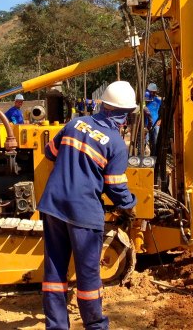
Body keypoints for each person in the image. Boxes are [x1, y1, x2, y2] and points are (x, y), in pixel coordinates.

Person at [38, 80, 138, 329]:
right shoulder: (115, 143)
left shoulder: (74, 124)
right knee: (88, 275)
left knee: (54, 271)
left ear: (102, 104)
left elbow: (50, 152)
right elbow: (115, 187)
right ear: (124, 115)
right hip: (83, 212)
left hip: (53, 205)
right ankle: (95, 325)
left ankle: (57, 326)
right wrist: (130, 204)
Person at [144, 83, 162, 155]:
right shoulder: (144, 100)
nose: (152, 93)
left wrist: (161, 120)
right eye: (150, 91)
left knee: (155, 141)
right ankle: (145, 157)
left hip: (155, 123)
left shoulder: (158, 100)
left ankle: (154, 156)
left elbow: (163, 110)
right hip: (146, 124)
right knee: (145, 141)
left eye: (153, 92)